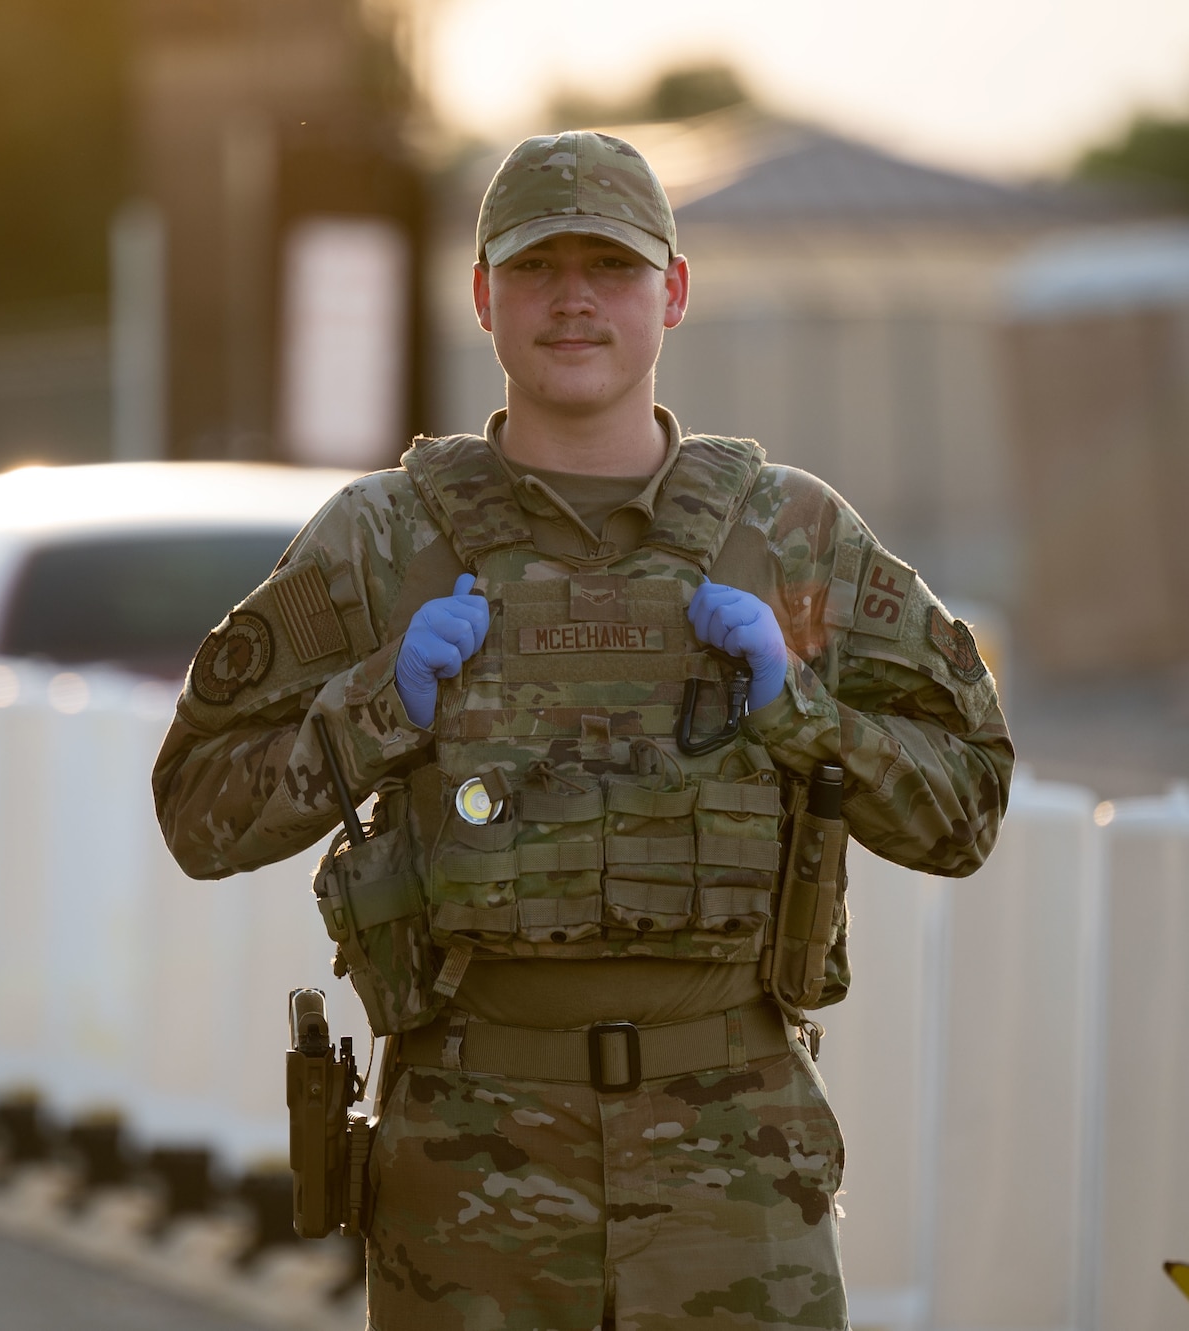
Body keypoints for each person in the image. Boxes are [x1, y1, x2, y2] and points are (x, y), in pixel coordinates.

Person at [151, 130, 1012, 1331]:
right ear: (480, 298)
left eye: (606, 267)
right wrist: (376, 707)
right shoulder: (381, 548)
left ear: (670, 291)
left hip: (734, 1169)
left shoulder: (791, 544)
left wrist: (796, 710)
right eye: (534, 266)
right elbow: (197, 808)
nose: (570, 299)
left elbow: (965, 805)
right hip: (470, 1171)